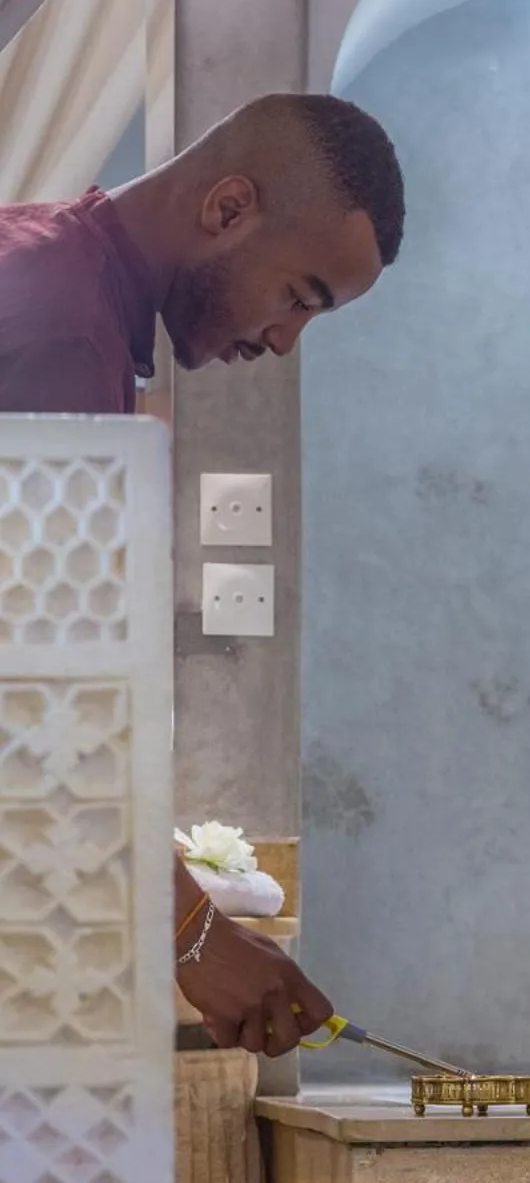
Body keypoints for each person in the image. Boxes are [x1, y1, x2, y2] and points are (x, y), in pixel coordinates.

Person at [0, 92, 405, 1053]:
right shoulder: (61, 333)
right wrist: (193, 940)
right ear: (228, 208)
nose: (283, 341)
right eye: (300, 296)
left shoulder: (50, 268)